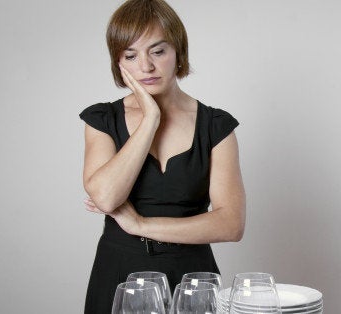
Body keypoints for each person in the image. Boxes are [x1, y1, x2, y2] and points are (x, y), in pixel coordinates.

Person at [78, 0, 246, 312]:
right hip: (119, 275)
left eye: (158, 51)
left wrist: (141, 224)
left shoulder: (216, 125)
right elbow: (105, 197)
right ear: (118, 62)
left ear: (178, 51)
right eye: (131, 55)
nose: (145, 66)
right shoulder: (102, 119)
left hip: (193, 279)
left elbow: (230, 224)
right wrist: (150, 119)